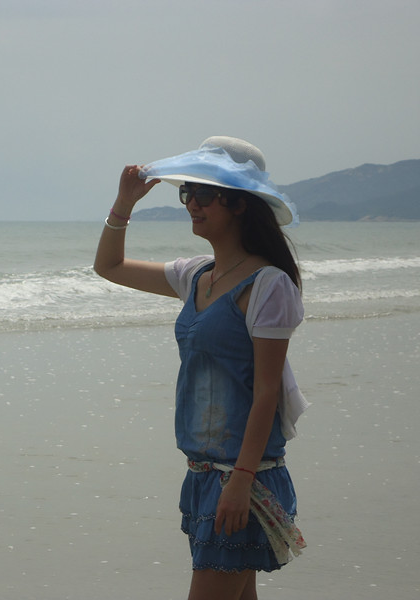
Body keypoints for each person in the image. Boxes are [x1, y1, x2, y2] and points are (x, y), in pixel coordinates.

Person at [93, 137, 308, 600]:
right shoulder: (195, 275)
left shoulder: (268, 285)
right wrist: (124, 203)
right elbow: (108, 266)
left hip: (243, 477)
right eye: (187, 192)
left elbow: (266, 392)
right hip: (204, 475)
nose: (192, 203)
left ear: (240, 204)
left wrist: (242, 481)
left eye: (205, 194)